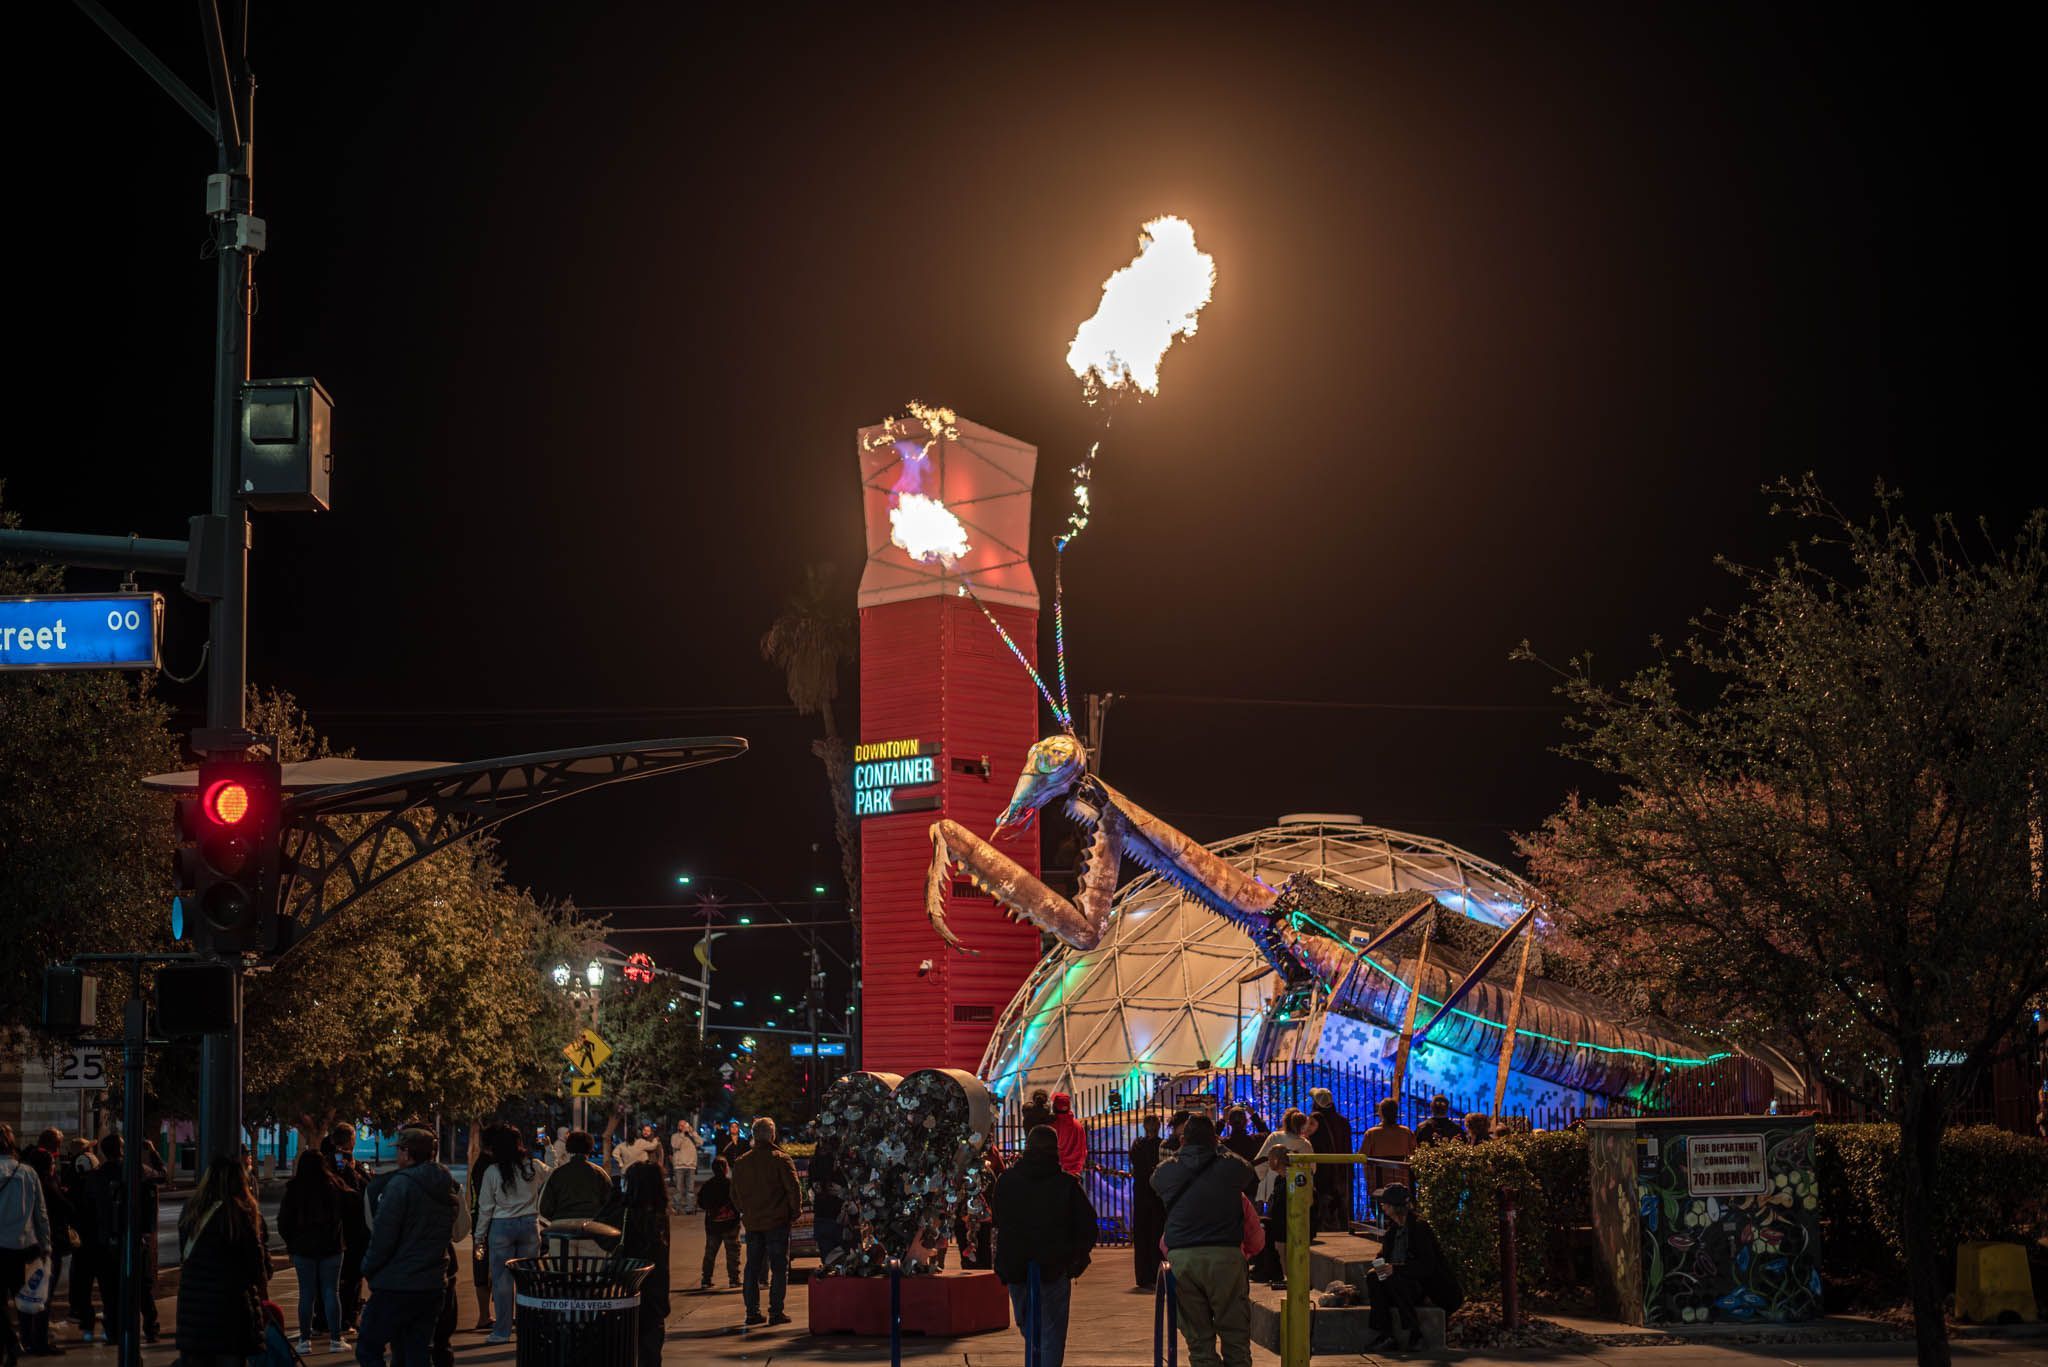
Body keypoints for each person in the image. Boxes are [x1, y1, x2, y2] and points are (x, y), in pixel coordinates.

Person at [1153, 1115, 1256, 1367]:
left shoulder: (1167, 1171)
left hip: (1183, 1259)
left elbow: (1155, 1183)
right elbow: (1249, 1171)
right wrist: (1218, 1146)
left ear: (1182, 1139)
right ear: (1215, 1139)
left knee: (1198, 1340)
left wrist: (1184, 1150)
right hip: (1225, 1256)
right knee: (1235, 1336)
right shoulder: (1230, 1166)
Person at [991, 1127, 1098, 1367]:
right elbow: (1089, 1226)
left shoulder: (1007, 1181)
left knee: (1027, 1322)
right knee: (1052, 1330)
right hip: (1055, 1263)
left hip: (1016, 1263)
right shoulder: (1066, 1185)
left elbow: (998, 1218)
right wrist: (1075, 1259)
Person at [358, 1128, 459, 1366]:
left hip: (397, 1283)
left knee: (368, 1347)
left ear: (407, 1152)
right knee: (417, 1350)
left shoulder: (399, 1186)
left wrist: (367, 1268)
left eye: (400, 1150)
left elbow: (383, 1238)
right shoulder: (445, 1185)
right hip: (432, 1282)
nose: (397, 1157)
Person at [173, 1154, 270, 1365]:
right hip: (230, 1308)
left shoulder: (192, 1210)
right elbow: (255, 1265)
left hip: (193, 1308)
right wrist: (263, 1302)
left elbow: (186, 1255)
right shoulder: (239, 1213)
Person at [1362, 1184, 1462, 1352]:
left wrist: (1395, 1269)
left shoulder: (1419, 1228)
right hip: (1403, 1283)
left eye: (1385, 1203)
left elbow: (1427, 1266)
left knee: (1394, 1279)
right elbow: (1385, 1255)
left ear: (1394, 1206)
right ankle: (1386, 1334)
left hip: (1424, 1285)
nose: (1382, 1206)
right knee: (1374, 1277)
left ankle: (1415, 1333)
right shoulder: (1393, 1230)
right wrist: (1381, 1264)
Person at [85, 1133, 163, 1344]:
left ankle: (113, 1331)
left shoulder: (96, 1176)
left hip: (106, 1240)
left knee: (110, 1291)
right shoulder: (136, 1170)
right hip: (133, 1237)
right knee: (143, 1288)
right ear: (121, 1149)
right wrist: (153, 1152)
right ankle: (151, 1328)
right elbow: (161, 1175)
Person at [475, 1128, 548, 1345]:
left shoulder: (492, 1172)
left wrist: (479, 1238)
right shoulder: (533, 1167)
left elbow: (485, 1208)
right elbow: (553, 1172)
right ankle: (528, 1329)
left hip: (501, 1227)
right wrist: (549, 1148)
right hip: (529, 1225)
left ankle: (502, 1332)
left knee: (501, 1281)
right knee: (528, 1280)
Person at [729, 1117, 800, 1327]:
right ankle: (775, 1312)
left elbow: (734, 1193)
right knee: (778, 1268)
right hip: (777, 1221)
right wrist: (794, 1212)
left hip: (753, 1222)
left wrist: (745, 1210)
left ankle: (752, 1312)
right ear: (772, 1135)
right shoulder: (781, 1159)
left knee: (752, 1267)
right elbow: (793, 1189)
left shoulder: (742, 1162)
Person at [277, 1150, 348, 1352]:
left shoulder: (294, 1189)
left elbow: (284, 1221)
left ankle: (304, 1341)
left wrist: (292, 1242)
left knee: (306, 1293)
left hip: (303, 1247)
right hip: (331, 1246)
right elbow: (350, 1207)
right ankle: (335, 1340)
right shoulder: (334, 1186)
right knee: (331, 1292)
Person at [1, 1125, 53, 1365]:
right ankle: (25, 1340)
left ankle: (10, 1342)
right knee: (27, 1300)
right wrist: (46, 1244)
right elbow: (41, 1214)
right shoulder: (28, 1173)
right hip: (25, 1246)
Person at [614, 1162, 671, 1366]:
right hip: (655, 1289)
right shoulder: (660, 1214)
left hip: (627, 1287)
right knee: (651, 1348)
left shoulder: (626, 1212)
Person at [1252, 1110, 1314, 1286]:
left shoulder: (1275, 1138)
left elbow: (1260, 1161)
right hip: (1299, 1192)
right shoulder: (1305, 1145)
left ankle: (1275, 1270)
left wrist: (1259, 1179)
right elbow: (1313, 1168)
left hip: (1275, 1190)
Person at [326, 1124, 373, 1336]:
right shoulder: (343, 1168)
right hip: (351, 1230)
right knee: (351, 1278)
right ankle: (346, 1317)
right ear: (351, 1141)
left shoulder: (321, 1164)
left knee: (330, 1280)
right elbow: (361, 1191)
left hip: (334, 1231)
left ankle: (326, 1318)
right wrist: (354, 1171)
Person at [62, 1140, 102, 1344]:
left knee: (83, 1282)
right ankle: (105, 1321)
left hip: (83, 1236)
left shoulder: (71, 1178)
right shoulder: (93, 1173)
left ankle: (86, 1320)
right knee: (104, 1282)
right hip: (96, 1235)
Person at [536, 1131, 611, 1224]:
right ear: (590, 1148)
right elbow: (610, 1202)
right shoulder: (599, 1173)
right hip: (592, 1225)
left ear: (568, 1148)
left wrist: (557, 1219)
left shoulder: (557, 1174)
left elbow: (544, 1208)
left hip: (561, 1226)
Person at [1127, 1115, 1166, 1291]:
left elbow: (1135, 1164)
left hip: (1141, 1192)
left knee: (1142, 1234)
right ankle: (1156, 1272)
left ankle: (1142, 1275)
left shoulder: (1137, 1145)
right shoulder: (1162, 1145)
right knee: (1157, 1233)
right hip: (1157, 1193)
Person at [1307, 1089, 1353, 1231]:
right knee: (1342, 1208)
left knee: (1324, 1209)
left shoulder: (1315, 1121)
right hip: (1343, 1171)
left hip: (1323, 1173)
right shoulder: (1343, 1122)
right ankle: (1345, 1231)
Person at [1358, 1098, 1416, 1202]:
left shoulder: (1372, 1134)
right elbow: (1415, 1154)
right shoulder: (1406, 1133)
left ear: (1380, 1113)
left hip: (1379, 1185)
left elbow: (1362, 1157)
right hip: (1403, 1182)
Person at [696, 1157, 741, 1290]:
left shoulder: (708, 1185)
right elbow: (738, 1202)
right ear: (726, 1168)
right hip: (730, 1225)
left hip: (713, 1225)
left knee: (710, 1253)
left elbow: (701, 1203)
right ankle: (734, 1279)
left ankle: (706, 1279)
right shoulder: (731, 1184)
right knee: (732, 1253)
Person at [807, 1142, 846, 1264]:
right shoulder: (839, 1163)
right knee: (840, 1259)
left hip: (824, 1217)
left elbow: (811, 1188)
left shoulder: (814, 1163)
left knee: (828, 1260)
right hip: (836, 1217)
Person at [1048, 1093, 1087, 1177]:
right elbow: (1083, 1149)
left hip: (1055, 1173)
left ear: (1054, 1106)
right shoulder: (1078, 1125)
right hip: (1074, 1173)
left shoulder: (1051, 1125)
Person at [669, 1120, 701, 1215]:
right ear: (678, 1127)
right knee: (679, 1189)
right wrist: (683, 1134)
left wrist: (692, 1132)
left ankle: (689, 1208)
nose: (683, 1127)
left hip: (691, 1165)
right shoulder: (675, 1136)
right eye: (681, 1125)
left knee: (690, 1189)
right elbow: (676, 1145)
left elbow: (700, 1142)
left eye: (684, 1125)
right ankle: (677, 1207)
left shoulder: (692, 1136)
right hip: (679, 1166)